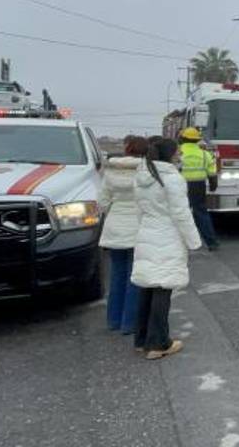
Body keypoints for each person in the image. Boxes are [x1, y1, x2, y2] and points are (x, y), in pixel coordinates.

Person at [131, 137, 203, 360]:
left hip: (147, 232)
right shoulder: (172, 179)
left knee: (147, 287)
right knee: (164, 287)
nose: (180, 155)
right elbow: (181, 214)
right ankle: (159, 343)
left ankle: (141, 339)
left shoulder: (142, 176)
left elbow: (139, 208)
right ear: (169, 155)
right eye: (177, 152)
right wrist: (194, 241)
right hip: (167, 235)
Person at [97, 135, 148, 334]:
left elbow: (102, 202)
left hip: (114, 227)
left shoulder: (110, 172)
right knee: (134, 277)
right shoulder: (145, 172)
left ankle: (113, 320)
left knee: (117, 275)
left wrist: (114, 212)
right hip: (137, 227)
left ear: (127, 150)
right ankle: (129, 323)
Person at [177, 127, 219, 251]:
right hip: (198, 186)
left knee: (179, 212)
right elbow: (212, 173)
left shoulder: (177, 152)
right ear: (197, 140)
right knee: (201, 213)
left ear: (182, 138)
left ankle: (179, 242)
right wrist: (213, 187)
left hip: (179, 185)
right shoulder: (205, 154)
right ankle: (212, 242)